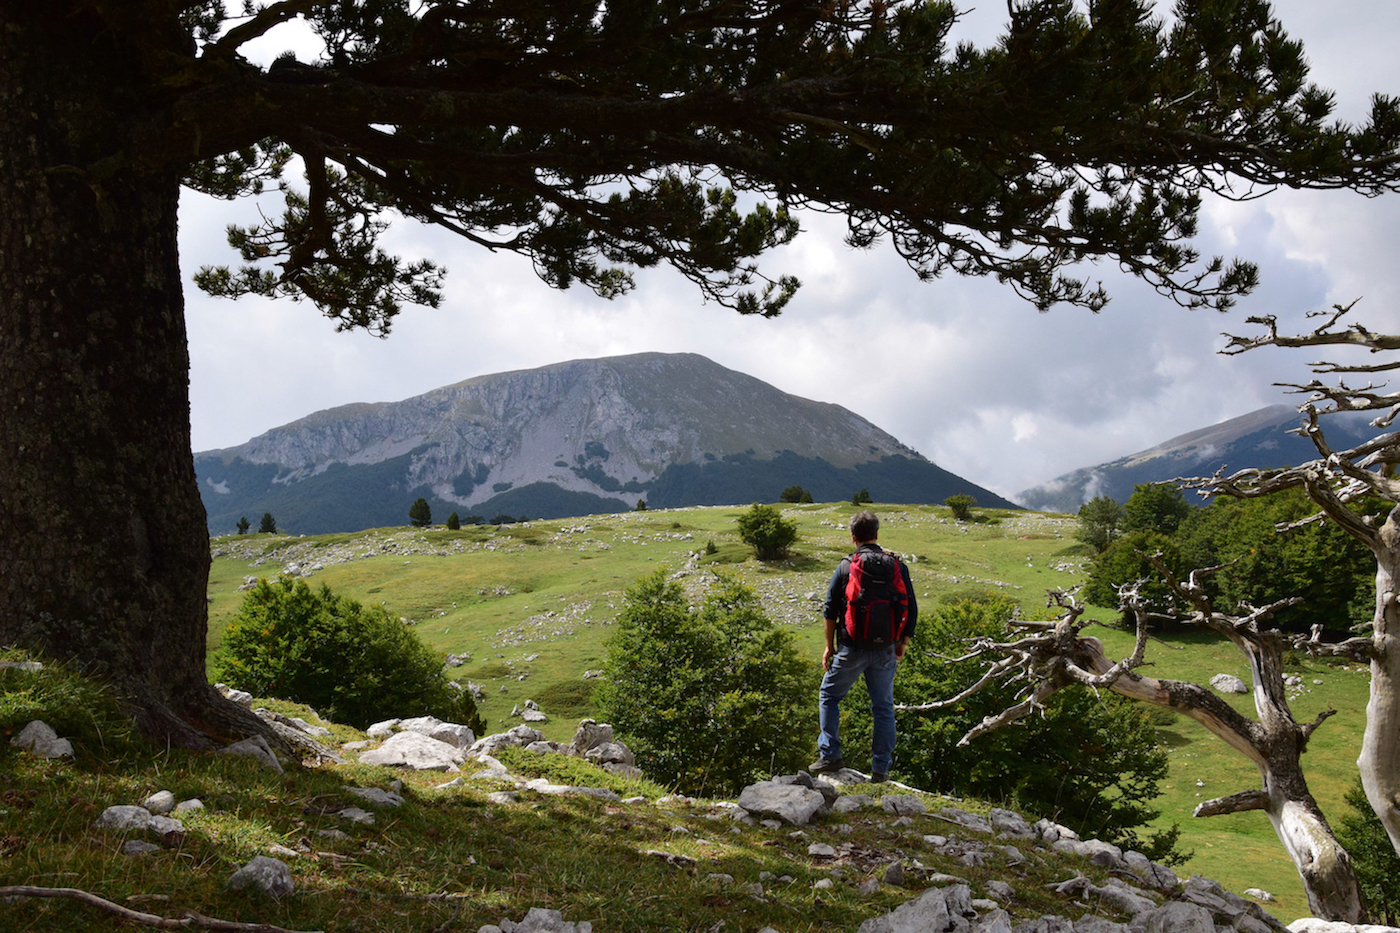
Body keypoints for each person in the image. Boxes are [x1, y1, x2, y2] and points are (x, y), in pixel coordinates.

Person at [810, 509, 917, 782]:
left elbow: (830, 610)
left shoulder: (846, 566)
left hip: (851, 647)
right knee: (883, 708)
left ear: (853, 536)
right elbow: (911, 608)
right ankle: (880, 770)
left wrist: (828, 647)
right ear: (877, 534)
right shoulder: (896, 565)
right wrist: (902, 641)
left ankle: (831, 755)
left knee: (829, 696)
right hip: (885, 649)